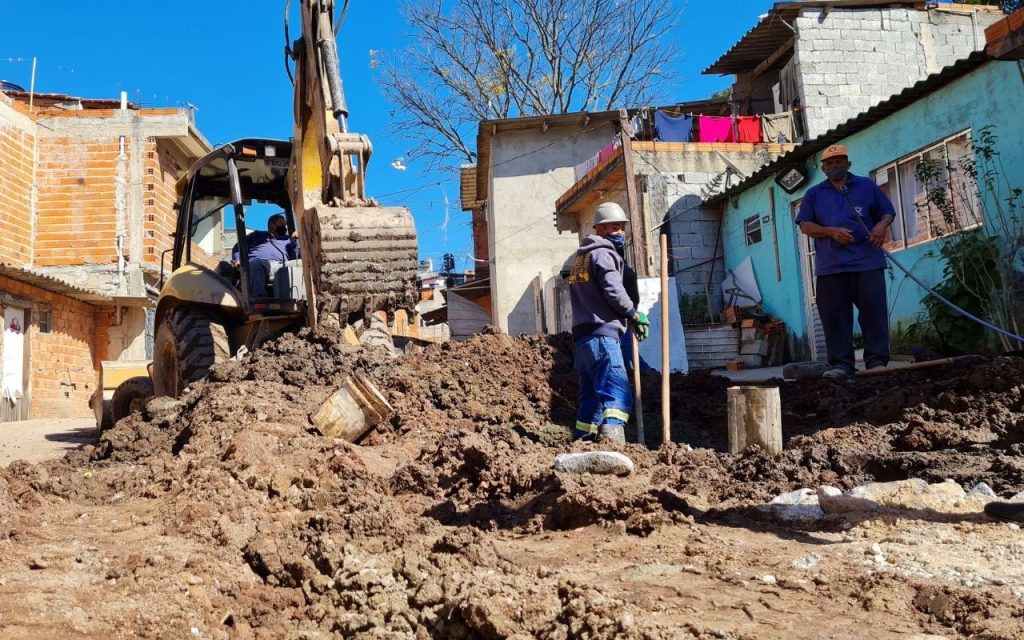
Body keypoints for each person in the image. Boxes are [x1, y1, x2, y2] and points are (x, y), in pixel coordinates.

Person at [796, 144, 896, 379]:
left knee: (874, 313)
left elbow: (887, 212)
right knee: (834, 317)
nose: (835, 166)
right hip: (831, 266)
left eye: (839, 161)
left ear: (848, 164)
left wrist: (881, 226)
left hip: (867, 262)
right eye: (829, 163)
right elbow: (805, 225)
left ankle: (877, 363)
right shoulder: (814, 194)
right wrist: (831, 231)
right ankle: (841, 365)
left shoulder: (866, 186)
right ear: (823, 168)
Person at [567, 202, 649, 443]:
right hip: (602, 334)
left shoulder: (580, 259)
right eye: (614, 227)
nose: (620, 233)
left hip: (583, 338)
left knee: (591, 396)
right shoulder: (604, 254)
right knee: (618, 391)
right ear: (600, 229)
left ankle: (584, 440)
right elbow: (613, 290)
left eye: (622, 228)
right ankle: (613, 441)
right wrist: (633, 314)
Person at [231, 213, 300, 297]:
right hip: (261, 264)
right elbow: (239, 246)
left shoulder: (288, 239)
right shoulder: (257, 235)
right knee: (256, 263)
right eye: (282, 224)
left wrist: (295, 242)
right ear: (272, 225)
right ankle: (259, 297)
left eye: (285, 225)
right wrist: (237, 259)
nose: (284, 227)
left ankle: (300, 297)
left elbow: (296, 256)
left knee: (300, 263)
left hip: (282, 265)